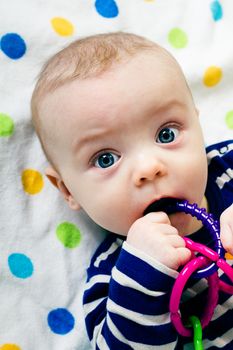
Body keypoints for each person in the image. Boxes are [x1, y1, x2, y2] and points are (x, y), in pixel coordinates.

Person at [31, 32, 233, 349]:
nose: (148, 168)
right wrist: (143, 279)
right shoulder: (114, 281)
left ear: (197, 123)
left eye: (166, 134)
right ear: (67, 189)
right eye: (106, 158)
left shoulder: (229, 169)